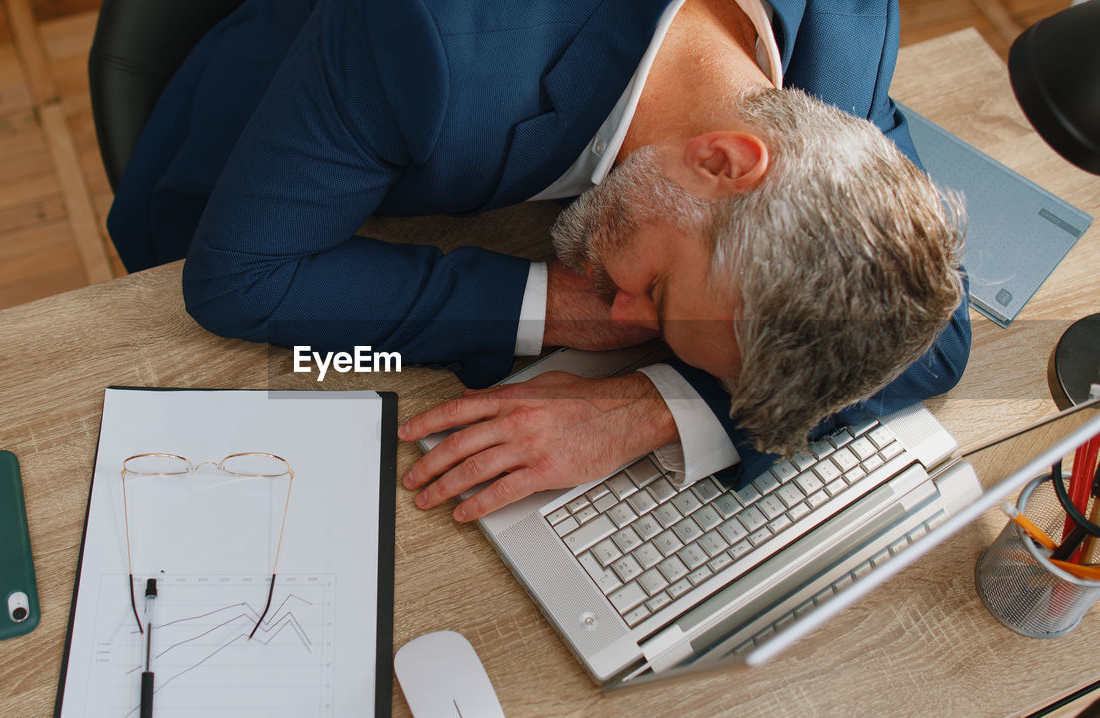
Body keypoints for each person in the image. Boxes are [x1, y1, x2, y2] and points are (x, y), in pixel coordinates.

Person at [109, 0, 971, 524]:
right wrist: (559, 308)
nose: (625, 326)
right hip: (263, 154)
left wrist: (647, 406)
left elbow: (933, 334)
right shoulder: (425, 34)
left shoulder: (841, 42)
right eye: (660, 296)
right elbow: (239, 279)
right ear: (723, 161)